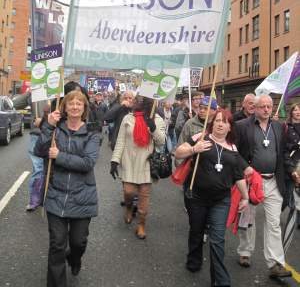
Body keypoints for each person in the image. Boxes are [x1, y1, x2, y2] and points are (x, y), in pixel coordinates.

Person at [175, 109, 249, 286]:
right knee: (197, 230)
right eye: (217, 120)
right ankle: (194, 259)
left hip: (221, 201)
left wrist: (245, 197)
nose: (220, 124)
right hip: (197, 197)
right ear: (212, 123)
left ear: (230, 127)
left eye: (224, 121)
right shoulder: (202, 137)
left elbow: (238, 175)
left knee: (217, 240)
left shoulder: (233, 148)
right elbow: (178, 152)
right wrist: (194, 149)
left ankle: (220, 281)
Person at [34, 91, 100, 287]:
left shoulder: (92, 133)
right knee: (57, 245)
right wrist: (48, 126)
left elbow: (88, 162)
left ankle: (75, 258)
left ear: (84, 108)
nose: (74, 106)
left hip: (82, 196)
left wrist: (59, 156)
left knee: (78, 242)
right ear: (64, 107)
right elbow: (39, 151)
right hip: (56, 193)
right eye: (70, 103)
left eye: (79, 103)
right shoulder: (55, 129)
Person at [235, 94, 292, 279]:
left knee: (274, 223)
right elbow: (235, 152)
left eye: (269, 106)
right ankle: (245, 251)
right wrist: (246, 167)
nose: (266, 109)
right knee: (248, 219)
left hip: (273, 181)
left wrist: (291, 171)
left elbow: (282, 152)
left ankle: (275, 263)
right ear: (255, 108)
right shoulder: (243, 126)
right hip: (251, 182)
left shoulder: (278, 126)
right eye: (262, 107)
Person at [110, 96, 165, 239]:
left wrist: (152, 128)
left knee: (144, 197)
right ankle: (129, 207)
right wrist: (114, 161)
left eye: (144, 100)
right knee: (128, 192)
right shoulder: (128, 118)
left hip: (146, 162)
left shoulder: (157, 119)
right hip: (128, 161)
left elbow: (161, 142)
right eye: (138, 100)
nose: (140, 102)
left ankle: (141, 224)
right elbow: (121, 140)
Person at [26, 104, 50, 211]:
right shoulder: (36, 92)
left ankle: (47, 198)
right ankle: (35, 201)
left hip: (55, 134)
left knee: (53, 168)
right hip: (38, 135)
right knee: (39, 169)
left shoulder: (61, 92)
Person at [284, 102, 300, 227]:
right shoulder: (286, 126)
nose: (298, 112)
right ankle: (278, 210)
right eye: (295, 110)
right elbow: (283, 145)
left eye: (299, 110)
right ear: (291, 112)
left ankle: (297, 221)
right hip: (292, 162)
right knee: (288, 192)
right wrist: (294, 146)